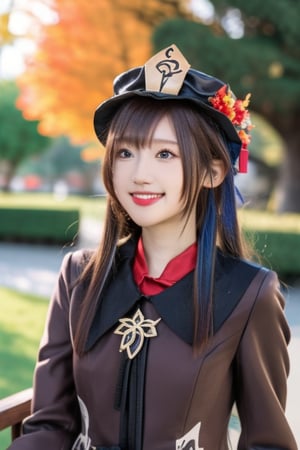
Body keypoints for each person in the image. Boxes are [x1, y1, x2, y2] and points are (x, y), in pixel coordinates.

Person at [8, 44, 297, 450]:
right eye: (125, 151)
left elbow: (268, 443)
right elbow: (50, 426)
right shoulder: (79, 276)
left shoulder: (249, 295)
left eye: (165, 153)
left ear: (213, 172)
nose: (139, 174)